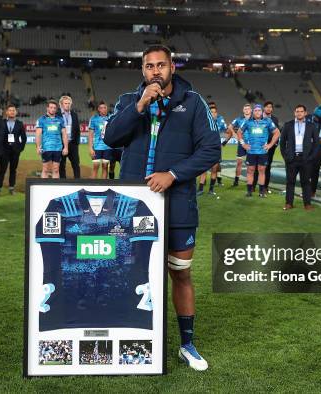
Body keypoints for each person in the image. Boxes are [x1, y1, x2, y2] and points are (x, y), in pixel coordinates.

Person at [104, 44, 221, 371]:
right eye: (149, 66)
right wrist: (139, 106)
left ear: (172, 67)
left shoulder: (193, 102)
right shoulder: (129, 101)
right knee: (129, 273)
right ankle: (129, 341)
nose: (155, 71)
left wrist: (172, 174)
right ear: (143, 71)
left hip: (178, 204)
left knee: (180, 274)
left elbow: (211, 149)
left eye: (161, 65)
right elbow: (111, 137)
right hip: (132, 205)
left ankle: (187, 344)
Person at [280, 104, 320, 210]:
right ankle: (289, 203)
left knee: (306, 182)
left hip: (306, 159)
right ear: (294, 113)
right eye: (297, 111)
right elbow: (282, 142)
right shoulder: (288, 125)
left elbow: (317, 143)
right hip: (292, 159)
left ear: (305, 113)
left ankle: (307, 204)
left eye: (301, 111)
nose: (299, 113)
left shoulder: (311, 126)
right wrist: (286, 156)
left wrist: (311, 157)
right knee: (290, 182)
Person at [238, 104, 280, 198]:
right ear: (253, 112)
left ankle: (261, 192)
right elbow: (239, 132)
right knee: (250, 171)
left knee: (261, 171)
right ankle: (249, 191)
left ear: (262, 112)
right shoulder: (248, 121)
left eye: (259, 110)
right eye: (256, 110)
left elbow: (277, 133)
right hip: (251, 151)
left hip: (263, 152)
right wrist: (243, 144)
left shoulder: (267, 121)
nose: (257, 112)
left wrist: (270, 145)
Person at [0, 104, 26, 195]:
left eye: (13, 110)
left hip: (15, 151)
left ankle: (11, 188)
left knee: (13, 170)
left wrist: (20, 148)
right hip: (4, 150)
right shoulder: (2, 122)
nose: (12, 112)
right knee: (2, 169)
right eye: (10, 110)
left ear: (16, 112)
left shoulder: (20, 124)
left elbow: (24, 138)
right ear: (7, 112)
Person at [198, 102, 226, 195]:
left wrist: (225, 141)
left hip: (216, 149)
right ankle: (201, 189)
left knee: (214, 169)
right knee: (203, 169)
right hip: (205, 147)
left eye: (214, 112)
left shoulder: (220, 121)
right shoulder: (203, 121)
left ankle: (211, 190)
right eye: (211, 112)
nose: (213, 114)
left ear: (217, 113)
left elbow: (229, 131)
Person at [35, 100, 68, 179]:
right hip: (46, 148)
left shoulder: (60, 120)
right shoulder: (41, 120)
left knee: (56, 170)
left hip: (58, 148)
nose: (53, 109)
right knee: (45, 169)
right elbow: (38, 134)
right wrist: (38, 147)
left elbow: (64, 134)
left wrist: (66, 147)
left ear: (56, 109)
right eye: (51, 107)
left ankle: (55, 190)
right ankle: (44, 189)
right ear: (47, 108)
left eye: (54, 108)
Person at [226, 103, 252, 187]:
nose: (247, 110)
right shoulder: (239, 119)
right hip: (241, 143)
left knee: (250, 164)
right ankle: (236, 180)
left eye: (248, 109)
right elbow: (229, 126)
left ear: (251, 110)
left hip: (252, 143)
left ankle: (250, 182)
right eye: (245, 109)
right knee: (239, 162)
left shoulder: (255, 119)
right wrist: (234, 134)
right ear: (243, 110)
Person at [58, 95, 81, 179]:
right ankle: (63, 183)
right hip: (61, 144)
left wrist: (76, 143)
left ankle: (78, 182)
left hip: (72, 143)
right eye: (65, 103)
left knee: (76, 164)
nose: (67, 105)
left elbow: (77, 129)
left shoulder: (74, 114)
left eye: (69, 103)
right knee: (61, 165)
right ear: (61, 104)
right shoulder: (57, 114)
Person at [87, 101, 111, 179]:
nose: (103, 109)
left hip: (107, 147)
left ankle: (103, 186)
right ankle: (93, 187)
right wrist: (90, 148)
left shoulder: (110, 118)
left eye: (105, 108)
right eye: (101, 108)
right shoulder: (94, 119)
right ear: (98, 109)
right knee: (95, 167)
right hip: (97, 147)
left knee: (105, 167)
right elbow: (90, 134)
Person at [262, 100, 280, 194]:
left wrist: (273, 144)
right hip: (259, 146)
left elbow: (277, 133)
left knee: (267, 166)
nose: (269, 108)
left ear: (272, 109)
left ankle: (265, 186)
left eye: (270, 107)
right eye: (267, 106)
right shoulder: (258, 117)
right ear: (264, 108)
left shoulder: (275, 119)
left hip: (270, 146)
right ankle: (252, 186)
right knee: (257, 165)